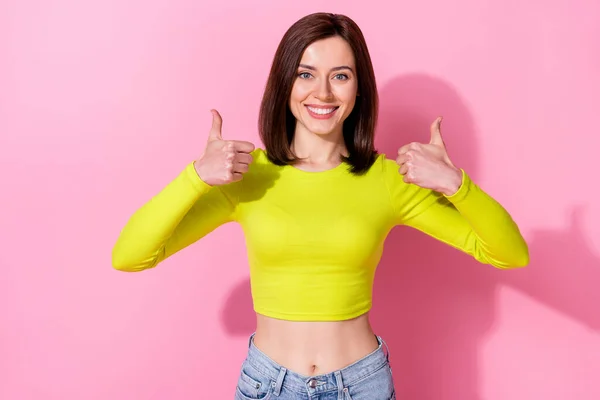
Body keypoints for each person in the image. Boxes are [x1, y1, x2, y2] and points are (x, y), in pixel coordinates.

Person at [111, 12, 529, 400]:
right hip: (266, 384)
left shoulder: (388, 180)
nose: (323, 92)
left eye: (340, 76)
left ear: (359, 86)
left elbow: (508, 253)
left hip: (362, 384)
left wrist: (455, 185)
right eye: (305, 74)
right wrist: (196, 177)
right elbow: (130, 256)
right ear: (284, 84)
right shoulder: (245, 176)